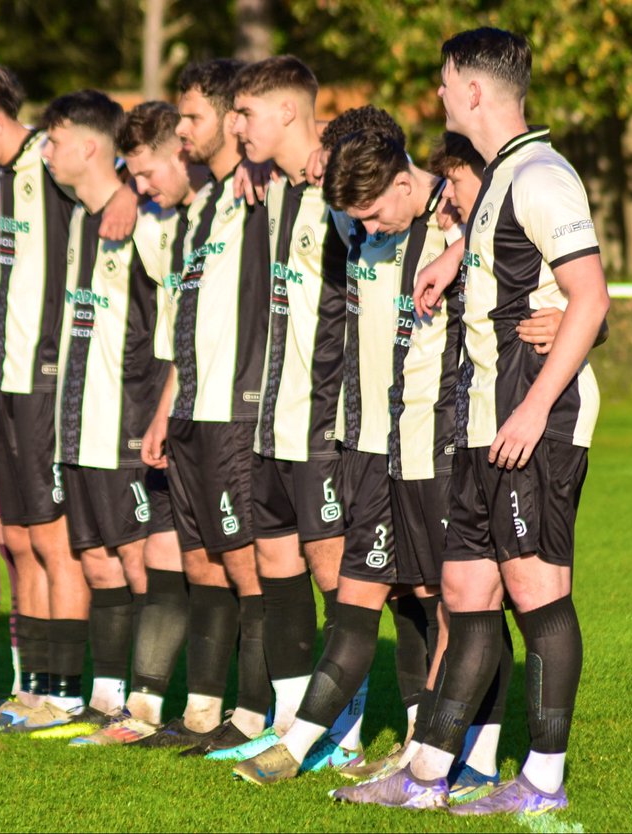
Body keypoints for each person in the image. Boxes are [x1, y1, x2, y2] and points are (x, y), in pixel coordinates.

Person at [334, 27, 610, 816]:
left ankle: (544, 786)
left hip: (531, 422)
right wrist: (451, 262)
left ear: (475, 90)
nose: (442, 94)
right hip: (482, 424)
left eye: (446, 82)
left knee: (537, 594)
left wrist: (530, 410)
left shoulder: (544, 175)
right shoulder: (495, 180)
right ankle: (427, 776)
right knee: (465, 591)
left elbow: (589, 297)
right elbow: (502, 261)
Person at [0, 61, 137, 728]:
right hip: (1, 380)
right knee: (18, 540)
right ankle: (35, 689)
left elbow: (116, 173)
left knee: (54, 542)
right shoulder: (6, 176)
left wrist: (127, 190)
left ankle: (67, 692)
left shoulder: (51, 159)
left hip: (47, 382)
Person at [218, 55, 373, 777]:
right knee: (275, 561)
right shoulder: (273, 187)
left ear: (285, 113)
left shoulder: (341, 186)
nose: (233, 126)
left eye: (244, 113)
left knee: (331, 568)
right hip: (270, 417)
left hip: (325, 421)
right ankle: (286, 724)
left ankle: (342, 731)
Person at [130, 59, 275, 755]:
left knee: (245, 563)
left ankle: (255, 718)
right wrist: (164, 412)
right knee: (202, 567)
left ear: (228, 117)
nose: (182, 130)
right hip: (190, 412)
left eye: (191, 117)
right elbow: (181, 329)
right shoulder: (202, 209)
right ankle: (203, 715)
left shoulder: (260, 192)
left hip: (236, 411)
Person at [70, 100, 213, 746]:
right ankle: (148, 708)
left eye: (147, 170)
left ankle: (222, 710)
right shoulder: (158, 221)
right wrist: (132, 188)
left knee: (215, 564)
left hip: (201, 406)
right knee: (161, 559)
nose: (143, 184)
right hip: (169, 401)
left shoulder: (225, 209)